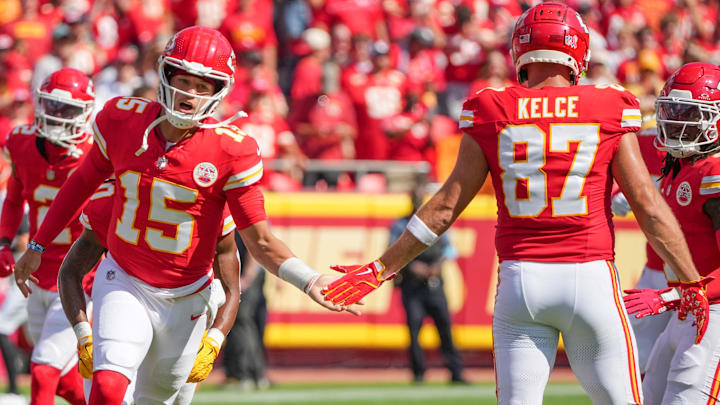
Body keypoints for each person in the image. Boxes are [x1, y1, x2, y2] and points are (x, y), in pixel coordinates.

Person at [322, 3, 703, 404]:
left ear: (521, 51)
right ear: (578, 51)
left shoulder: (491, 107)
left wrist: (382, 268)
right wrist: (689, 279)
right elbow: (646, 203)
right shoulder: (608, 104)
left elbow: (445, 207)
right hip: (590, 277)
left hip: (522, 284)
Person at [12, 26, 358, 404]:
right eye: (183, 80)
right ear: (165, 75)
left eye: (202, 86)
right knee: (109, 386)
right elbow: (79, 184)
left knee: (154, 398)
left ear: (219, 91)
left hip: (186, 296)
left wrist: (309, 281)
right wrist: (40, 244)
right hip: (124, 279)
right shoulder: (123, 121)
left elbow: (259, 240)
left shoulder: (231, 150)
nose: (189, 94)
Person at [56, 179, 239, 404]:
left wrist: (214, 340)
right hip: (124, 296)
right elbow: (70, 271)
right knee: (107, 386)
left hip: (186, 306)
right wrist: (84, 335)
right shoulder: (112, 199)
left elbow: (230, 289)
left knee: (166, 397)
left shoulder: (210, 204)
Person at [623, 62, 720, 404]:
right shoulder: (680, 166)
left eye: (691, 114)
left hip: (713, 315)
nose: (678, 121)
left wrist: (667, 297)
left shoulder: (715, 172)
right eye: (675, 110)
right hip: (689, 309)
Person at [1, 67, 95, 405]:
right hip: (36, 275)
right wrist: (4, 241)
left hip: (77, 277)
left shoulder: (94, 155)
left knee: (43, 368)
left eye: (67, 110)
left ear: (85, 113)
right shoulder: (22, 141)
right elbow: (14, 197)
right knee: (61, 380)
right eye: (52, 106)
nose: (58, 117)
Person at [611, 118, 671, 374]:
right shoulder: (652, 138)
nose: (680, 117)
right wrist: (625, 189)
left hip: (707, 276)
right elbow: (615, 188)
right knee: (635, 355)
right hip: (659, 270)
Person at [390, 189, 465, 384]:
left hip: (434, 285)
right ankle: (419, 373)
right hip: (412, 286)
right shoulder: (401, 224)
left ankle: (456, 371)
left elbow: (449, 249)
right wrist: (416, 267)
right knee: (414, 330)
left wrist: (435, 267)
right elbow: (394, 252)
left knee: (445, 328)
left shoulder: (437, 221)